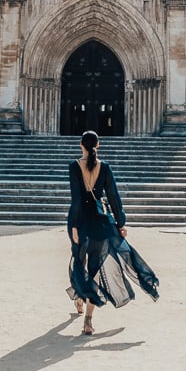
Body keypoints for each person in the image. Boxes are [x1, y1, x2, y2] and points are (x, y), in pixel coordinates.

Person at [67, 130, 159, 335]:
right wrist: (120, 223)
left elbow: (76, 200)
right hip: (100, 221)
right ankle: (88, 320)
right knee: (94, 268)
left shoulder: (74, 166)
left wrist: (73, 226)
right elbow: (114, 197)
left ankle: (80, 296)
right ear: (97, 145)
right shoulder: (105, 168)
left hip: (80, 222)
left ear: (81, 145)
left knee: (78, 260)